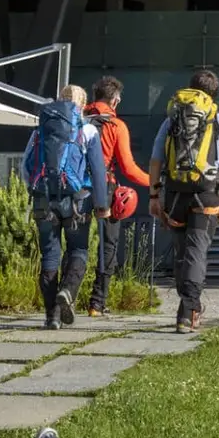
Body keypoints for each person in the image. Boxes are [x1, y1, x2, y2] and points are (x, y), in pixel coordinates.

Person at [148, 67, 219, 334]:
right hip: (207, 194)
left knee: (182, 251)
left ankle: (186, 307)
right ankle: (189, 310)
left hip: (174, 194)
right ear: (214, 95)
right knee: (197, 250)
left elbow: (156, 159)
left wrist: (154, 195)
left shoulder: (171, 119)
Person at [24, 85, 108, 330]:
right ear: (82, 105)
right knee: (78, 250)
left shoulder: (40, 130)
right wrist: (102, 204)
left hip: (44, 200)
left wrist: (36, 191)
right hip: (78, 201)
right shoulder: (88, 130)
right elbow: (98, 170)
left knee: (49, 255)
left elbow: (25, 167)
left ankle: (52, 316)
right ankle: (67, 293)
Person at [83, 76, 150, 318]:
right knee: (108, 245)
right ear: (115, 100)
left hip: (76, 187)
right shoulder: (116, 126)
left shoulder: (78, 119)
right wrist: (155, 182)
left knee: (76, 245)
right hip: (106, 189)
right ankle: (96, 304)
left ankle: (65, 295)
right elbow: (129, 169)